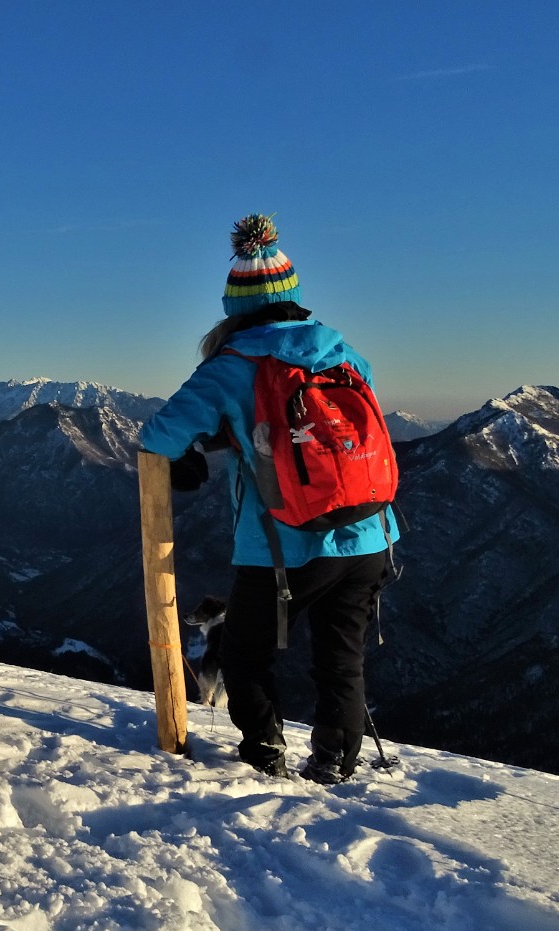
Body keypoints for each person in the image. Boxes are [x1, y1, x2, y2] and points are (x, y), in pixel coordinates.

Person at [138, 214, 399, 784]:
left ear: (234, 306)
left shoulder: (232, 366)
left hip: (281, 547)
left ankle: (265, 752)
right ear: (294, 296)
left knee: (244, 653)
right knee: (341, 659)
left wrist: (194, 450)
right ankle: (335, 762)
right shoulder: (345, 353)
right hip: (370, 533)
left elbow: (158, 434)